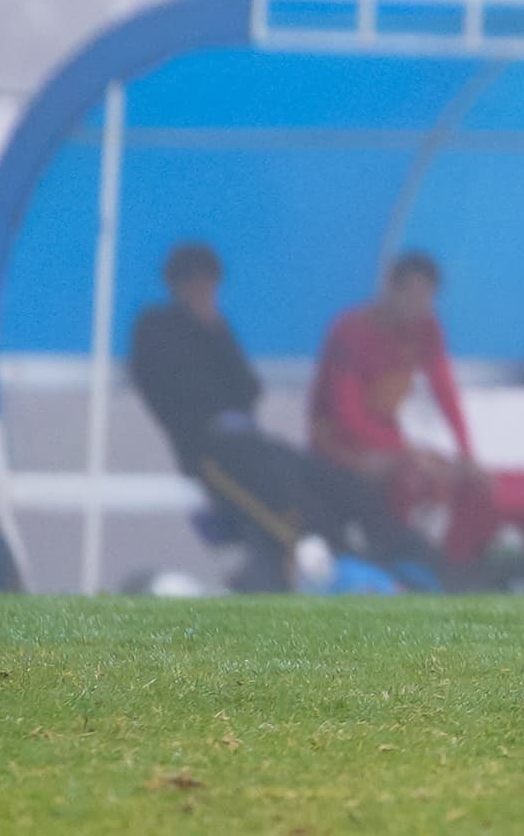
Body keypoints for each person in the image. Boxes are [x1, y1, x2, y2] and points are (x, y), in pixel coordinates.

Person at [124, 241, 427, 584]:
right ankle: (345, 575)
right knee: (295, 509)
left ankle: (406, 563)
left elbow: (248, 389)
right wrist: (202, 329)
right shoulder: (155, 329)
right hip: (213, 451)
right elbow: (188, 394)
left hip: (253, 440)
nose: (205, 292)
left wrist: (215, 331)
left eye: (209, 284)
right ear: (179, 286)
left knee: (344, 487)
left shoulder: (215, 328)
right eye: (197, 284)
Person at [309, 250, 524, 577]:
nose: (418, 304)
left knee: (455, 481)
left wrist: (466, 454)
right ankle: (397, 561)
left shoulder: (425, 328)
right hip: (340, 446)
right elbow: (346, 415)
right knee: (410, 479)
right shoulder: (350, 332)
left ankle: (451, 566)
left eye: (426, 296)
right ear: (389, 289)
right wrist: (406, 454)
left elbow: (445, 391)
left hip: (390, 443)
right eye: (410, 294)